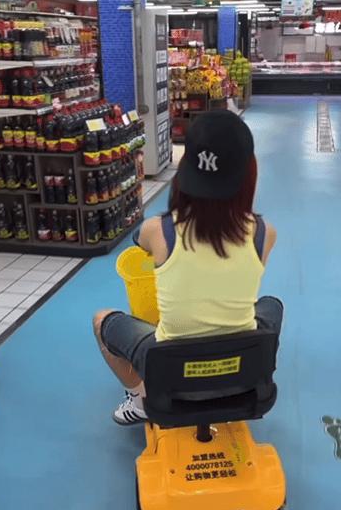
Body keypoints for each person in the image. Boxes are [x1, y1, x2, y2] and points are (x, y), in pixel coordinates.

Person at [93, 110, 283, 425]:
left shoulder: (158, 230)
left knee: (102, 319)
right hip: (240, 378)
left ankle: (140, 401)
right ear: (250, 172)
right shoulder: (265, 233)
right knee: (272, 305)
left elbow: (139, 241)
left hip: (171, 380)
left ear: (185, 170)